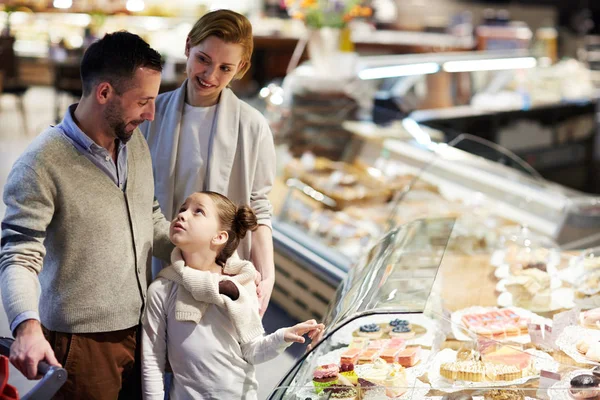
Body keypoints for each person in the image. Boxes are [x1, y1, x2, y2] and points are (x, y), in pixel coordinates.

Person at [0, 31, 172, 399]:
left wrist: (211, 255)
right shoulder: (40, 163)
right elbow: (18, 254)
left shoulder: (132, 141)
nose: (151, 114)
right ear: (105, 93)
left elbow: (150, 217)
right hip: (82, 346)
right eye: (143, 101)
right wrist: (27, 327)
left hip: (142, 330)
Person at [140, 9, 276, 316]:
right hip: (161, 266)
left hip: (223, 273)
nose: (210, 75)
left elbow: (259, 206)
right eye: (203, 59)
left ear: (241, 67)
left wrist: (267, 275)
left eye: (225, 67)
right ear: (188, 47)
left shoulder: (252, 126)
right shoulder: (150, 115)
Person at [141, 191, 324, 399]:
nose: (182, 215)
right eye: (183, 209)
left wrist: (283, 337)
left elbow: (252, 351)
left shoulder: (240, 285)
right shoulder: (163, 289)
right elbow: (152, 360)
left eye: (197, 211)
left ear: (220, 237)